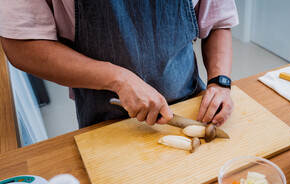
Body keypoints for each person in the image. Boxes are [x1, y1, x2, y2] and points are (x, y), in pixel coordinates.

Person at [0, 0, 238, 128]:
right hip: (106, 120)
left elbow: (217, 21)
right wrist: (118, 79)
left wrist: (220, 82)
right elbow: (22, 46)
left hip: (192, 106)